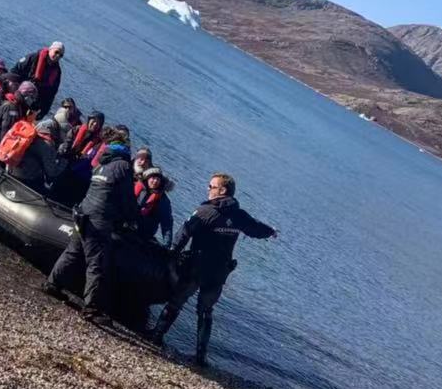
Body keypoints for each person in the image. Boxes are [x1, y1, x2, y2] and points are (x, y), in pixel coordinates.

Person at [151, 173, 277, 364]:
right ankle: (201, 355)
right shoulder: (239, 216)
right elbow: (256, 229)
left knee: (176, 301)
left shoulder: (205, 212)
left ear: (222, 190)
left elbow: (182, 235)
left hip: (196, 269)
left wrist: (169, 256)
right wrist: (271, 231)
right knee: (205, 311)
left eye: (211, 186)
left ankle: (157, 336)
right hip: (218, 273)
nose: (208, 189)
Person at [43, 137, 139, 320]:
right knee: (96, 262)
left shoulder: (102, 164)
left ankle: (52, 284)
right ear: (125, 150)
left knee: (72, 252)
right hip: (99, 220)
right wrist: (133, 218)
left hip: (83, 213)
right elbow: (127, 198)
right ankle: (90, 307)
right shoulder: (123, 166)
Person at [0, 80, 39, 156]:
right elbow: (5, 133)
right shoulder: (12, 108)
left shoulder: (18, 106)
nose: (33, 101)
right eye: (32, 97)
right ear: (26, 95)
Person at [5, 115, 66, 194]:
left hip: (11, 167)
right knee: (47, 189)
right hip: (24, 176)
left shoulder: (32, 130)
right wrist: (64, 161)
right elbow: (52, 172)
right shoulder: (47, 144)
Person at [13, 42, 65, 114]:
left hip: (33, 103)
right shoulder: (33, 58)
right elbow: (15, 71)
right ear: (50, 49)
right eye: (56, 52)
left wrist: (44, 111)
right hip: (18, 94)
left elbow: (51, 94)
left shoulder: (57, 72)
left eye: (61, 55)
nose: (58, 56)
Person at [135, 167, 174, 244]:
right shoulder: (136, 187)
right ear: (147, 178)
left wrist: (167, 244)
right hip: (127, 224)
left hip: (143, 235)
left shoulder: (163, 201)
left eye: (158, 179)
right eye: (153, 178)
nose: (155, 181)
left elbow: (167, 225)